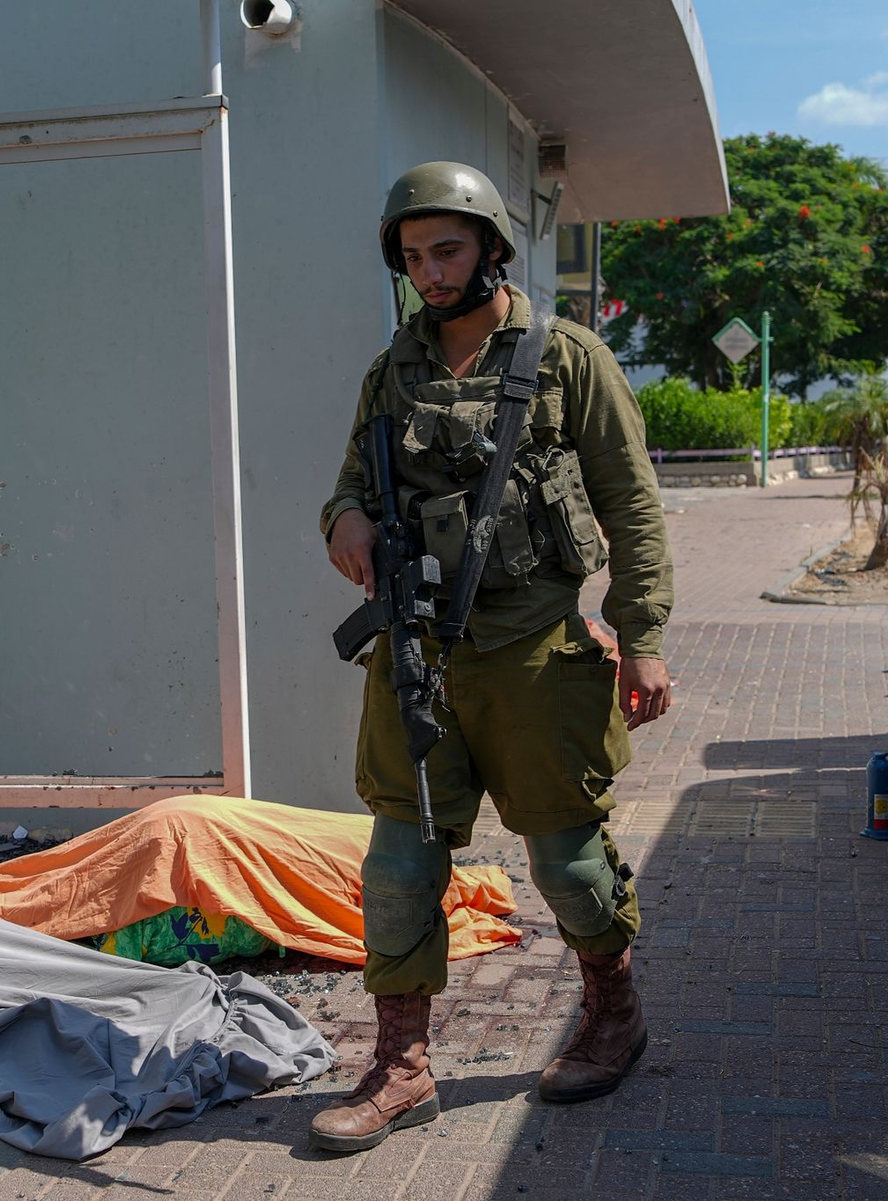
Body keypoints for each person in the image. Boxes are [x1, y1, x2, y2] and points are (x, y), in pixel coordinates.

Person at [310, 162, 673, 1154]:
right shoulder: (392, 371)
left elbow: (633, 504)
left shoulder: (569, 358)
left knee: (566, 857)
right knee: (397, 861)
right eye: (413, 255)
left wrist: (639, 635)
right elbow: (348, 479)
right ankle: (402, 1063)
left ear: (493, 249)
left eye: (449, 250)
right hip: (417, 650)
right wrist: (344, 518)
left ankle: (613, 1012)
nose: (429, 272)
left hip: (535, 648)